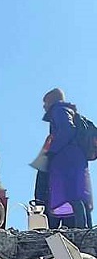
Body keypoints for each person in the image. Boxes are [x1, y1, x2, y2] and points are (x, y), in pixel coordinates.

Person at [42, 88, 93, 228]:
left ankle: (81, 230)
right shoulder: (70, 112)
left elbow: (67, 129)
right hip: (75, 160)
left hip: (66, 160)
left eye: (45, 102)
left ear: (52, 100)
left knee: (71, 196)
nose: (44, 107)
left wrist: (52, 151)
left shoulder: (59, 110)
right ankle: (86, 229)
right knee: (78, 196)